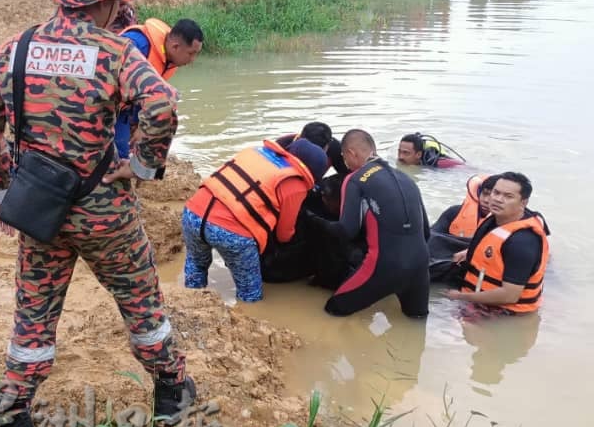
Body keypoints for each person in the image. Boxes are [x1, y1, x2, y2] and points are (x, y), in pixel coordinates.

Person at [0, 0, 194, 427]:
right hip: (105, 213)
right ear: (109, 1)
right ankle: (171, 392)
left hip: (38, 211)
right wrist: (141, 165)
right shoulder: (115, 52)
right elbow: (160, 104)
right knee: (141, 303)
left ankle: (12, 419)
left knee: (33, 313)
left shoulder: (15, 48)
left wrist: (2, 192)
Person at [182, 139, 329, 301]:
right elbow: (284, 234)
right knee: (250, 293)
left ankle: (190, 302)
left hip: (192, 213)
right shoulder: (295, 184)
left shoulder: (255, 152)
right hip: (231, 233)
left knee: (196, 265)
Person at [308, 129, 431, 317]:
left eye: (344, 157)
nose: (346, 164)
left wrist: (312, 219)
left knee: (333, 311)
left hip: (384, 267)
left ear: (351, 153)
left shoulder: (356, 179)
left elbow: (346, 231)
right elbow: (426, 233)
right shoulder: (406, 178)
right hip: (421, 266)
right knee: (416, 322)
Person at [447, 172, 550, 314]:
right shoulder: (497, 218)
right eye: (496, 193)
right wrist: (469, 252)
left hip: (505, 313)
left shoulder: (522, 242)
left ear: (523, 203)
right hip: (478, 300)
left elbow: (510, 295)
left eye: (508, 196)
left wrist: (461, 296)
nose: (497, 199)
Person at [113, 17, 203, 157]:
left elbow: (146, 93)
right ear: (176, 47)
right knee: (117, 155)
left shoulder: (169, 60)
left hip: (126, 107)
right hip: (107, 104)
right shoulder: (137, 46)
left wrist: (140, 125)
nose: (192, 60)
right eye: (191, 54)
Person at [428, 173, 497, 282]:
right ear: (478, 193)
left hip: (475, 268)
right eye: (485, 194)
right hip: (447, 262)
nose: (486, 200)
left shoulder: (503, 224)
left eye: (492, 196)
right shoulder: (454, 212)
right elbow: (431, 237)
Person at [274, 121, 349, 175]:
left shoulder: (334, 147)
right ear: (299, 139)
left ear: (327, 146)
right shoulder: (282, 145)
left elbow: (344, 173)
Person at [397, 132, 464, 168]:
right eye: (399, 151)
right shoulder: (401, 159)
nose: (400, 157)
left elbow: (462, 166)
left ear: (418, 154)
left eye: (406, 153)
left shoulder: (434, 161)